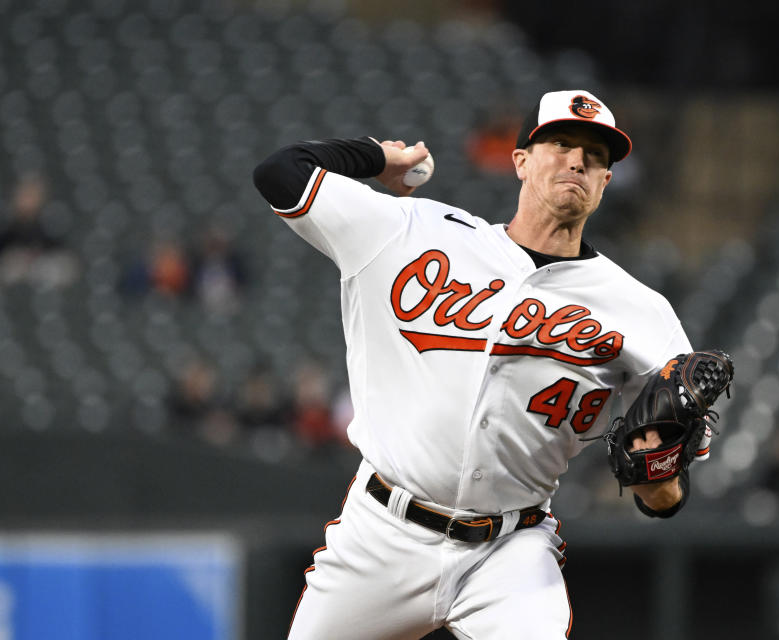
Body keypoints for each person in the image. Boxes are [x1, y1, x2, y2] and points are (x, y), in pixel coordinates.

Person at [253, 89, 696, 639]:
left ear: (605, 182)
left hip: (510, 553)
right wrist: (377, 156)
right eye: (560, 143)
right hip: (382, 534)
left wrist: (657, 472)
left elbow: (664, 497)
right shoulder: (413, 231)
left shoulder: (643, 313)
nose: (578, 160)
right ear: (520, 161)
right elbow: (281, 173)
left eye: (597, 155)